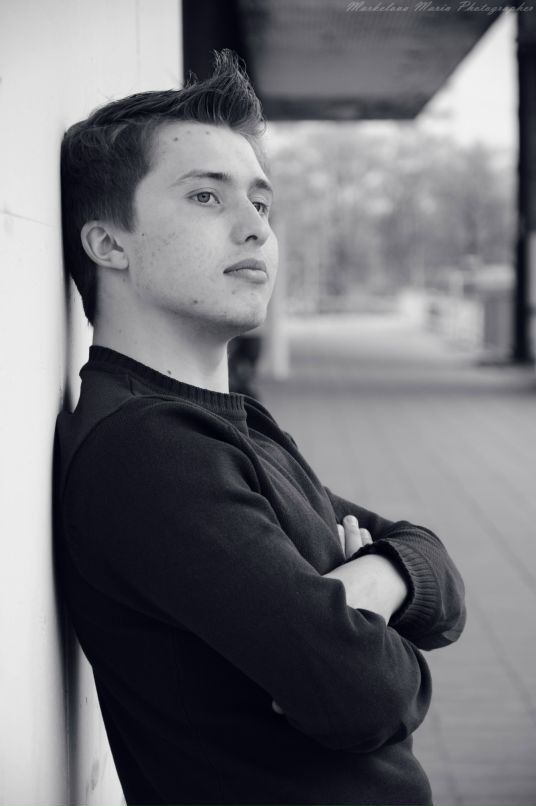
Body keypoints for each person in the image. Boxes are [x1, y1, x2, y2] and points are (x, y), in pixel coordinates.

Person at [54, 50, 466, 806]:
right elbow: (366, 697)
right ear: (109, 244)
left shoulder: (230, 425)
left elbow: (440, 577)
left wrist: (375, 578)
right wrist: (376, 622)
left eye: (262, 203)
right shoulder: (149, 452)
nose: (255, 230)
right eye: (206, 197)